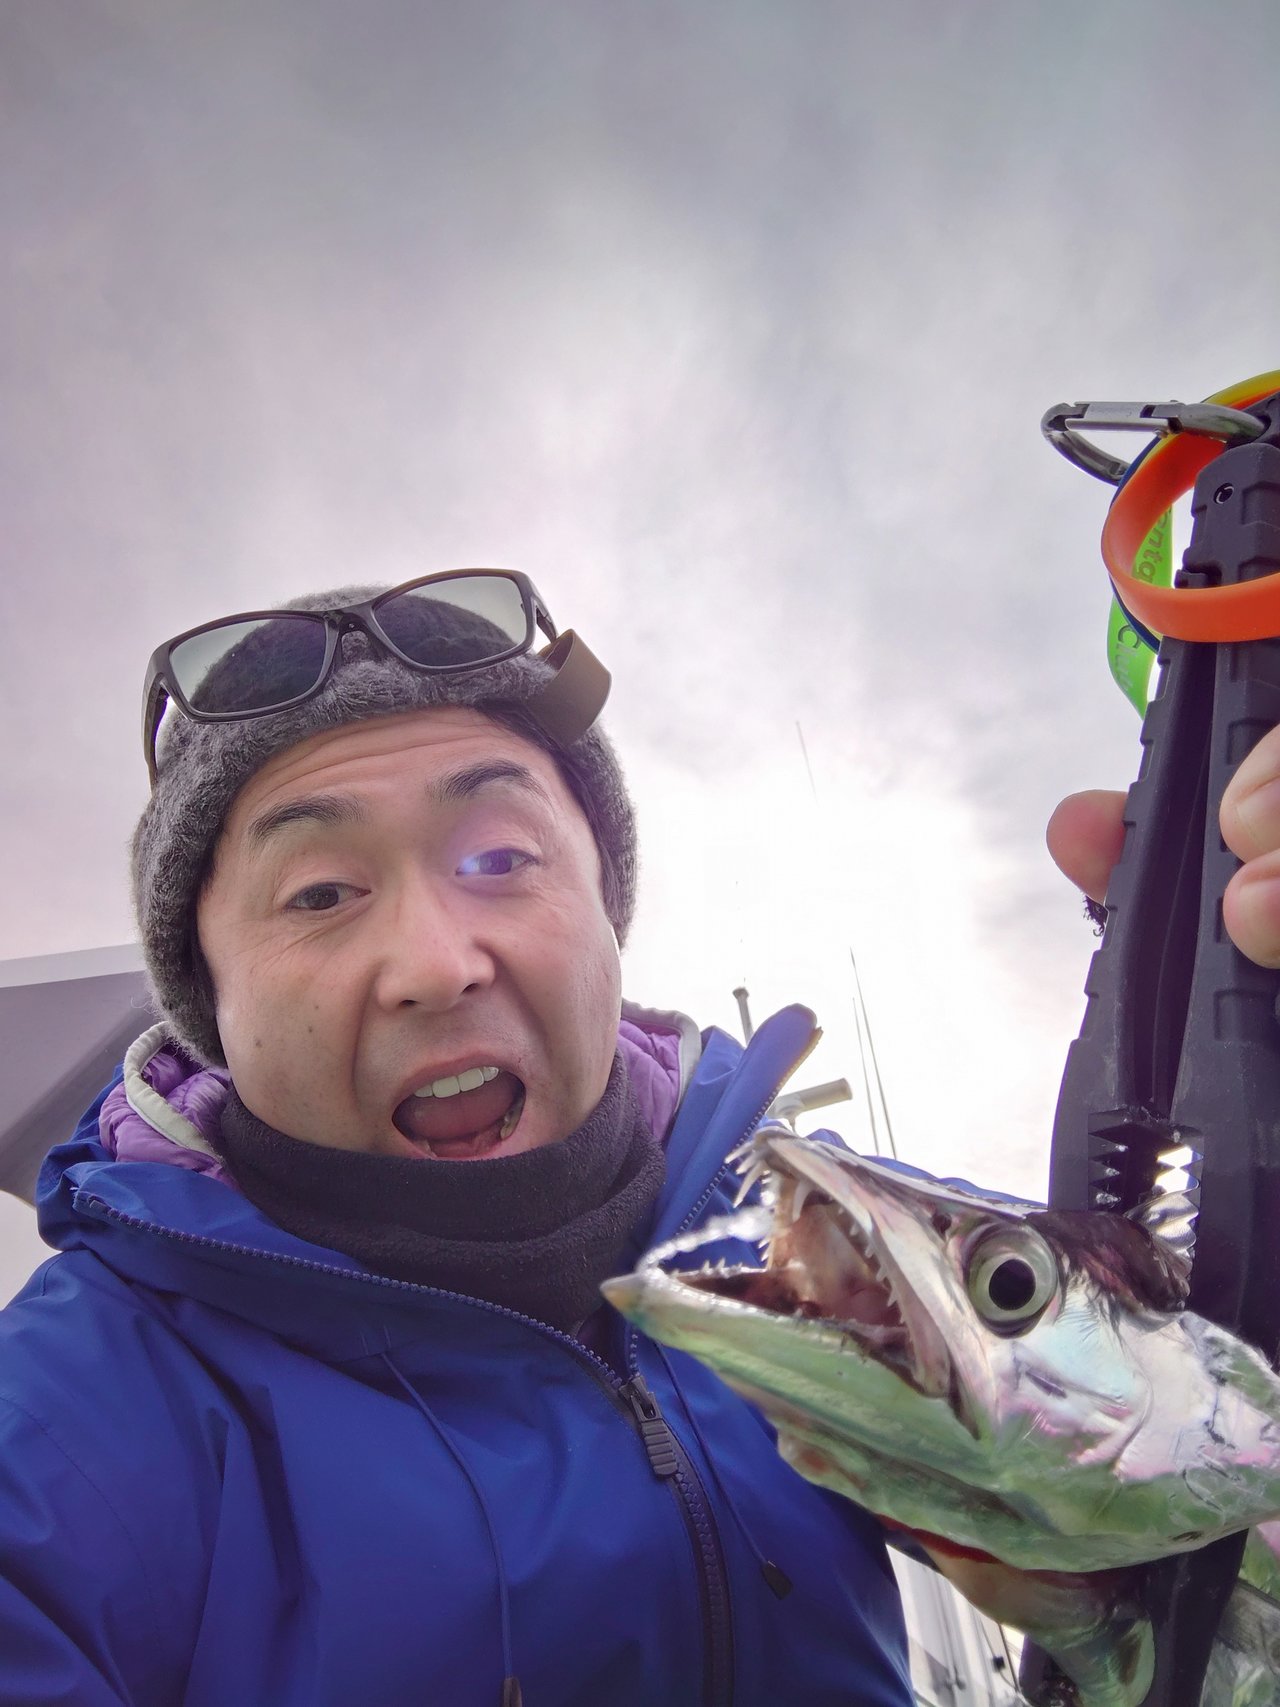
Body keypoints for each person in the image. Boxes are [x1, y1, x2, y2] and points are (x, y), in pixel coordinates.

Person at [3, 569, 1279, 1707]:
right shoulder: (64, 1417)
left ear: (608, 914)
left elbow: (1168, 1382)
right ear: (207, 1005)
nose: (437, 964)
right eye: (321, 893)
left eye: (500, 858)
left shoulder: (825, 1244)